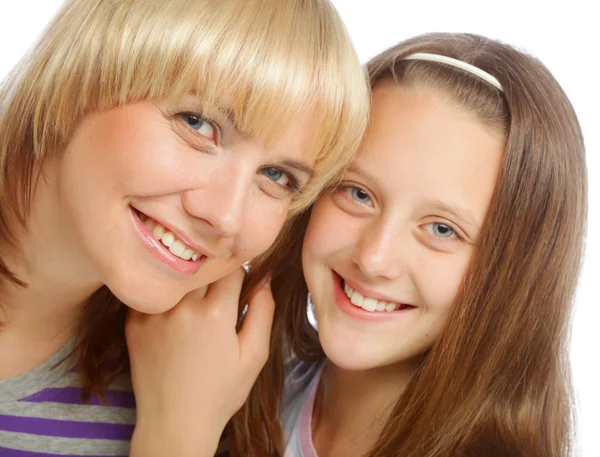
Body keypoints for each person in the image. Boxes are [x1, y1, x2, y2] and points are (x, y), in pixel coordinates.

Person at [0, 0, 369, 456]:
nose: (226, 216)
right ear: (82, 75)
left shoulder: (198, 380)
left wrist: (178, 431)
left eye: (276, 176)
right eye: (198, 124)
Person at [233, 32, 587, 457]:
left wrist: (176, 428)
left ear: (514, 275)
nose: (373, 258)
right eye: (358, 194)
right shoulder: (239, 376)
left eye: (441, 229)